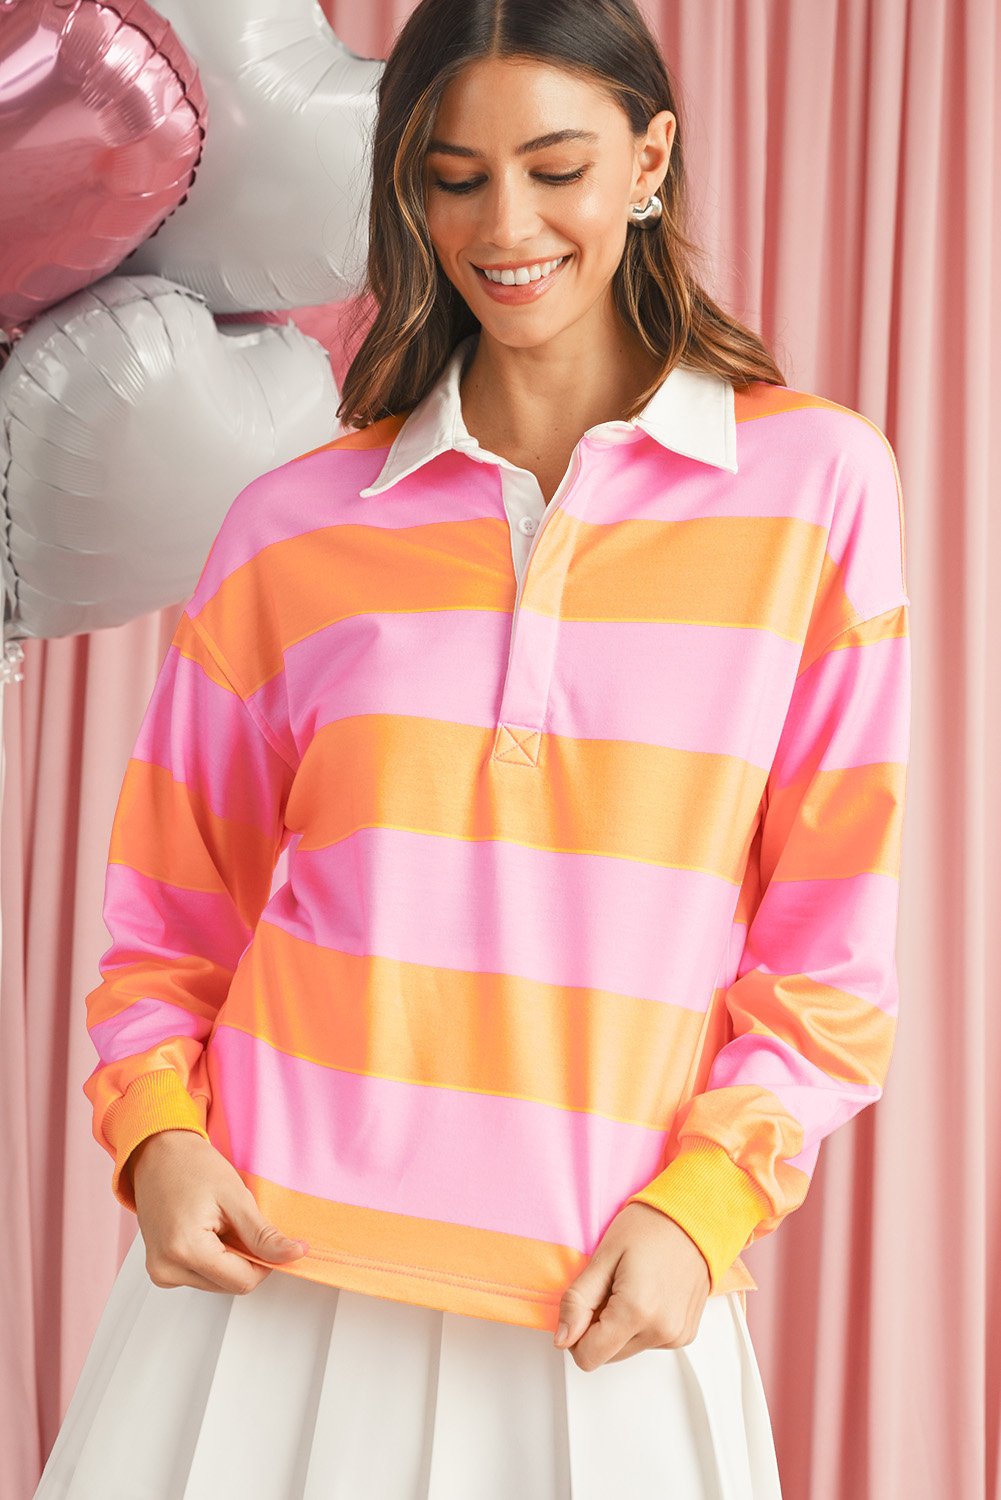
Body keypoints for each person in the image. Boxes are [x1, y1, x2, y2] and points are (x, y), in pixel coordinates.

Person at [34, 0, 911, 1495]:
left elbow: (831, 951)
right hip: (263, 1278)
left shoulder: (814, 486)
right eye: (455, 177)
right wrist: (158, 1136)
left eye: (557, 168)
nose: (505, 226)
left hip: (603, 1292)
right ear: (409, 191)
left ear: (649, 162)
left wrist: (704, 1205)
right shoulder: (293, 523)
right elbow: (167, 918)